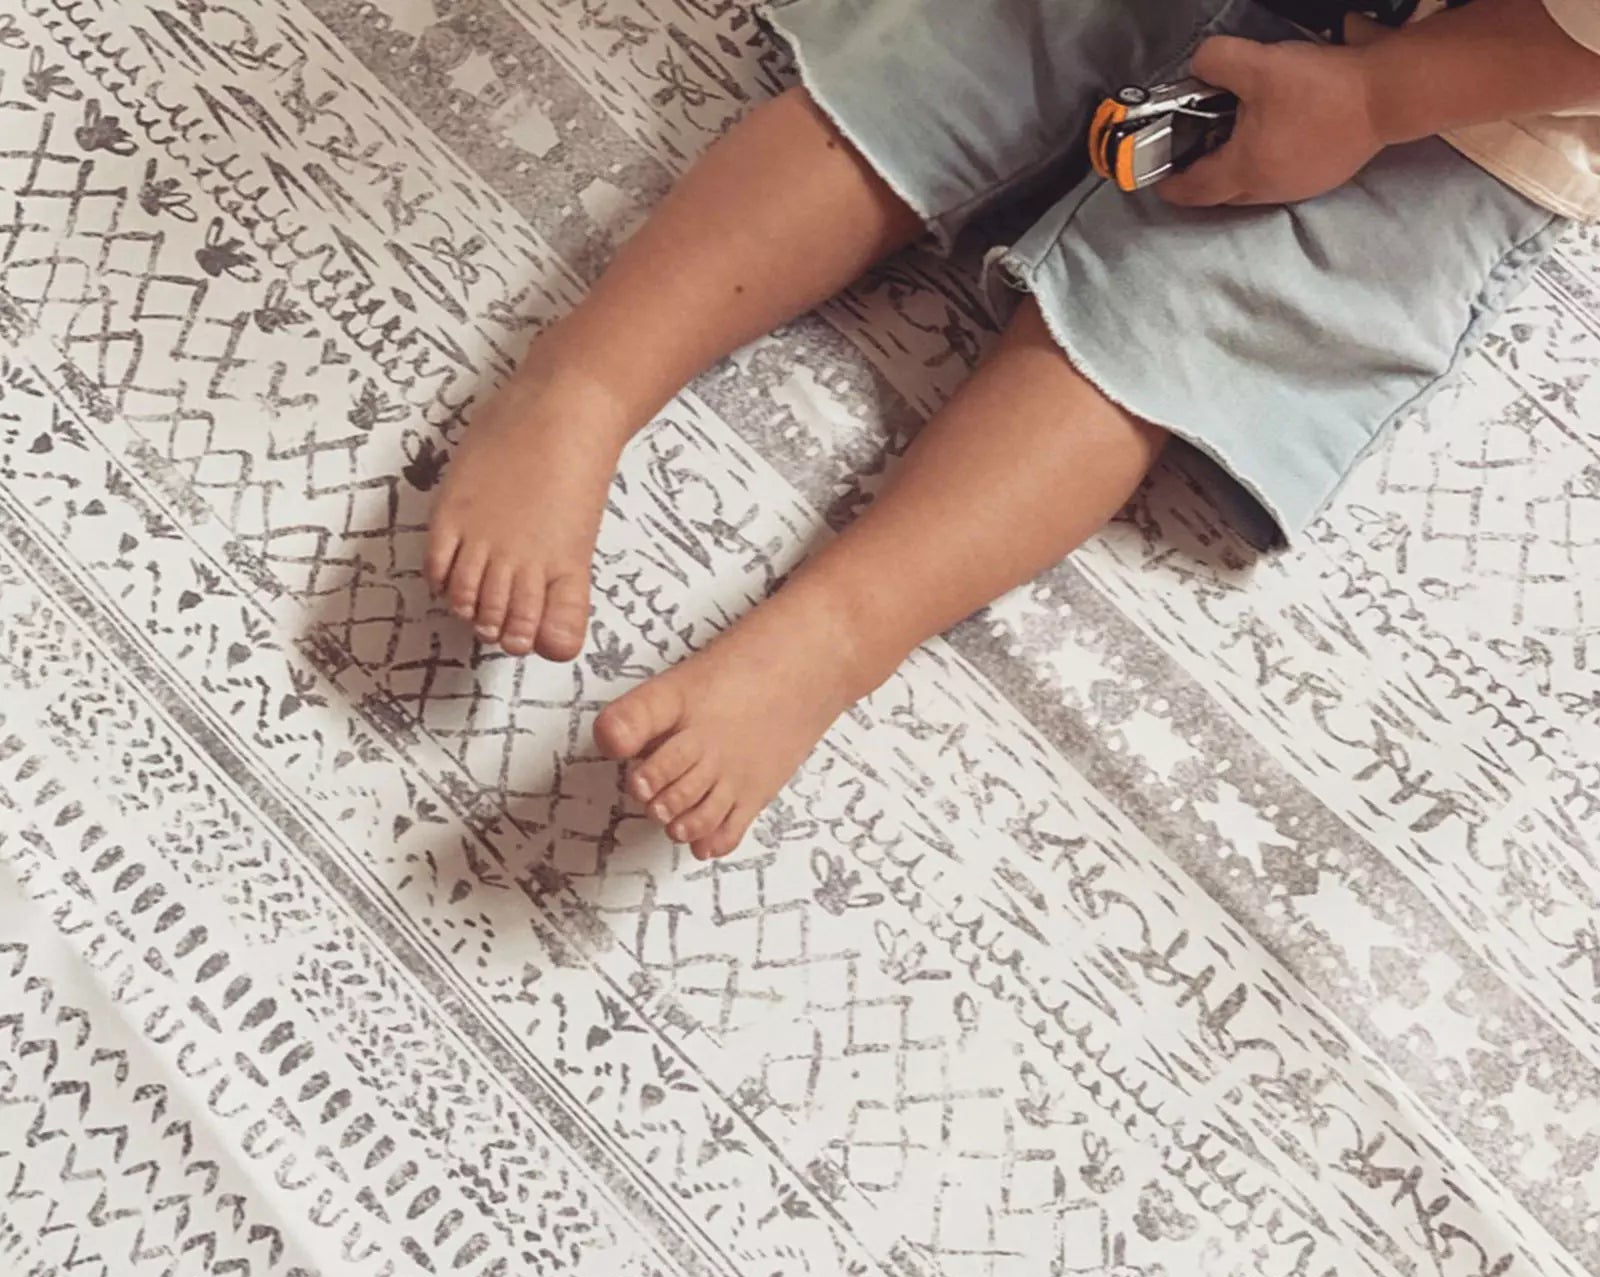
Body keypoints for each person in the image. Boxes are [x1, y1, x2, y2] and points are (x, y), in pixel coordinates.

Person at [424, 0, 1600, 861]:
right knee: (945, 66)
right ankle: (584, 382)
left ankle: (837, 630)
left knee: (1191, 318)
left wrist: (1381, 95)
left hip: (1485, 85)